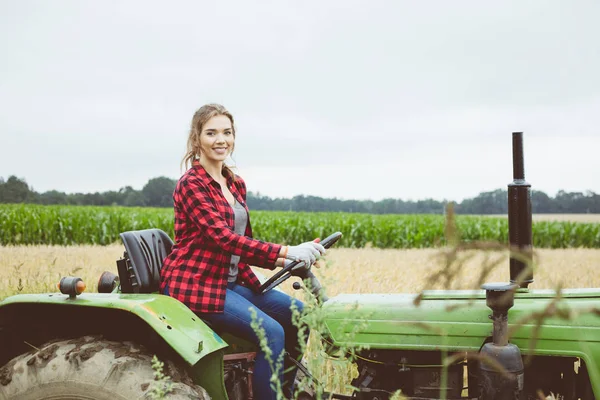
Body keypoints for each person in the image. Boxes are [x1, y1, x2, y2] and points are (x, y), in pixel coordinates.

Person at [160, 103, 325, 400]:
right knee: (271, 333)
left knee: (299, 316)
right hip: (197, 284)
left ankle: (285, 392)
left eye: (227, 132)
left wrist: (290, 259)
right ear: (197, 139)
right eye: (211, 133)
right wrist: (288, 250)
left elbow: (243, 243)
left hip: (229, 280)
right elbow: (223, 239)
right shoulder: (191, 185)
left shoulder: (235, 183)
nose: (220, 140)